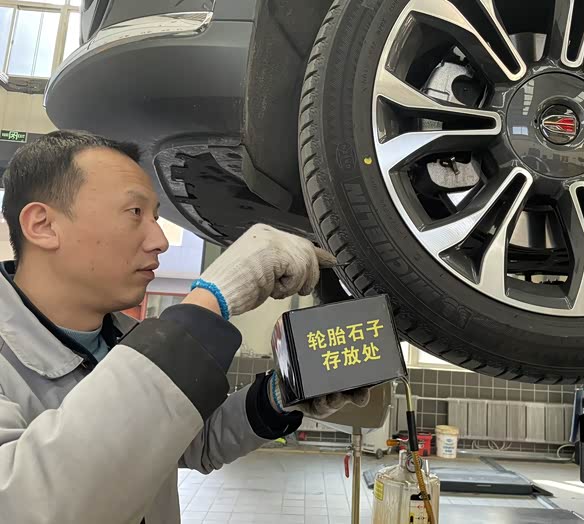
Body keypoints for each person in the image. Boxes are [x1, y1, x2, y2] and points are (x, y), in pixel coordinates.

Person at [0, 130, 369, 524]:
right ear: (43, 225)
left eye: (156, 218)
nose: (160, 240)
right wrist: (207, 303)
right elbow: (30, 504)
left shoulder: (123, 337)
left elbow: (192, 441)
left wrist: (281, 395)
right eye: (135, 212)